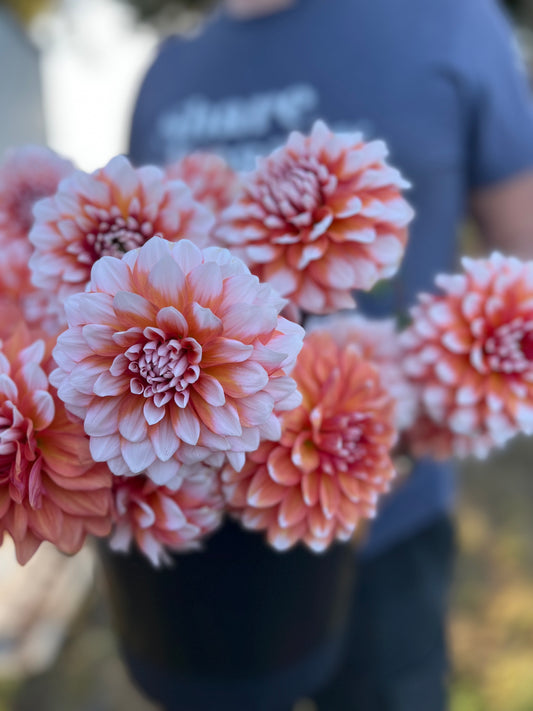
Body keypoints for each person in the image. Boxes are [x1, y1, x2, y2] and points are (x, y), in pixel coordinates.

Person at [129, 0, 533, 708]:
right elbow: (134, 271)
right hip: (194, 552)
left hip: (386, 523)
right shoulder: (165, 72)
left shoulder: (451, 22)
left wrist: (437, 400)